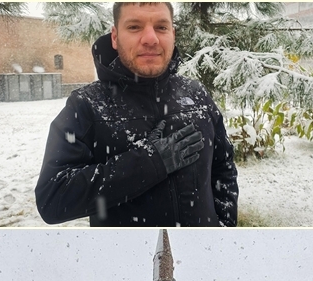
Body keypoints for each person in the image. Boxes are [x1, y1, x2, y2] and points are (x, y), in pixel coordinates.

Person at [34, 2, 237, 227]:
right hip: (128, 250)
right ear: (115, 37)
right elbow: (52, 198)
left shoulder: (196, 94)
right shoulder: (87, 105)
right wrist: (149, 163)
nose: (151, 38)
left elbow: (223, 167)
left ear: (173, 34)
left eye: (161, 27)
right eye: (134, 27)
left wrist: (224, 228)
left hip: (201, 247)